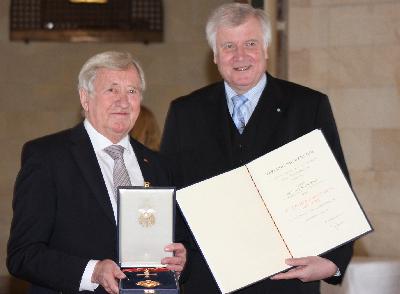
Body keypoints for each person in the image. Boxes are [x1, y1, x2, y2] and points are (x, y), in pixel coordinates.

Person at [160, 3, 352, 294]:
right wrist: (178, 252)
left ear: (265, 49)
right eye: (228, 46)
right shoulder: (185, 112)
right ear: (214, 55)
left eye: (250, 43)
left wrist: (332, 262)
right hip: (208, 281)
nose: (240, 56)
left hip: (286, 280)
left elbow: (336, 191)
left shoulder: (308, 107)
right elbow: (169, 195)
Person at [7, 51, 186, 294]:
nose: (123, 101)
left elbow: (176, 239)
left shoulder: (158, 165)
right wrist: (92, 271)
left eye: (132, 91)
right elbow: (23, 254)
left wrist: (180, 258)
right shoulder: (47, 157)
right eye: (112, 90)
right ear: (85, 98)